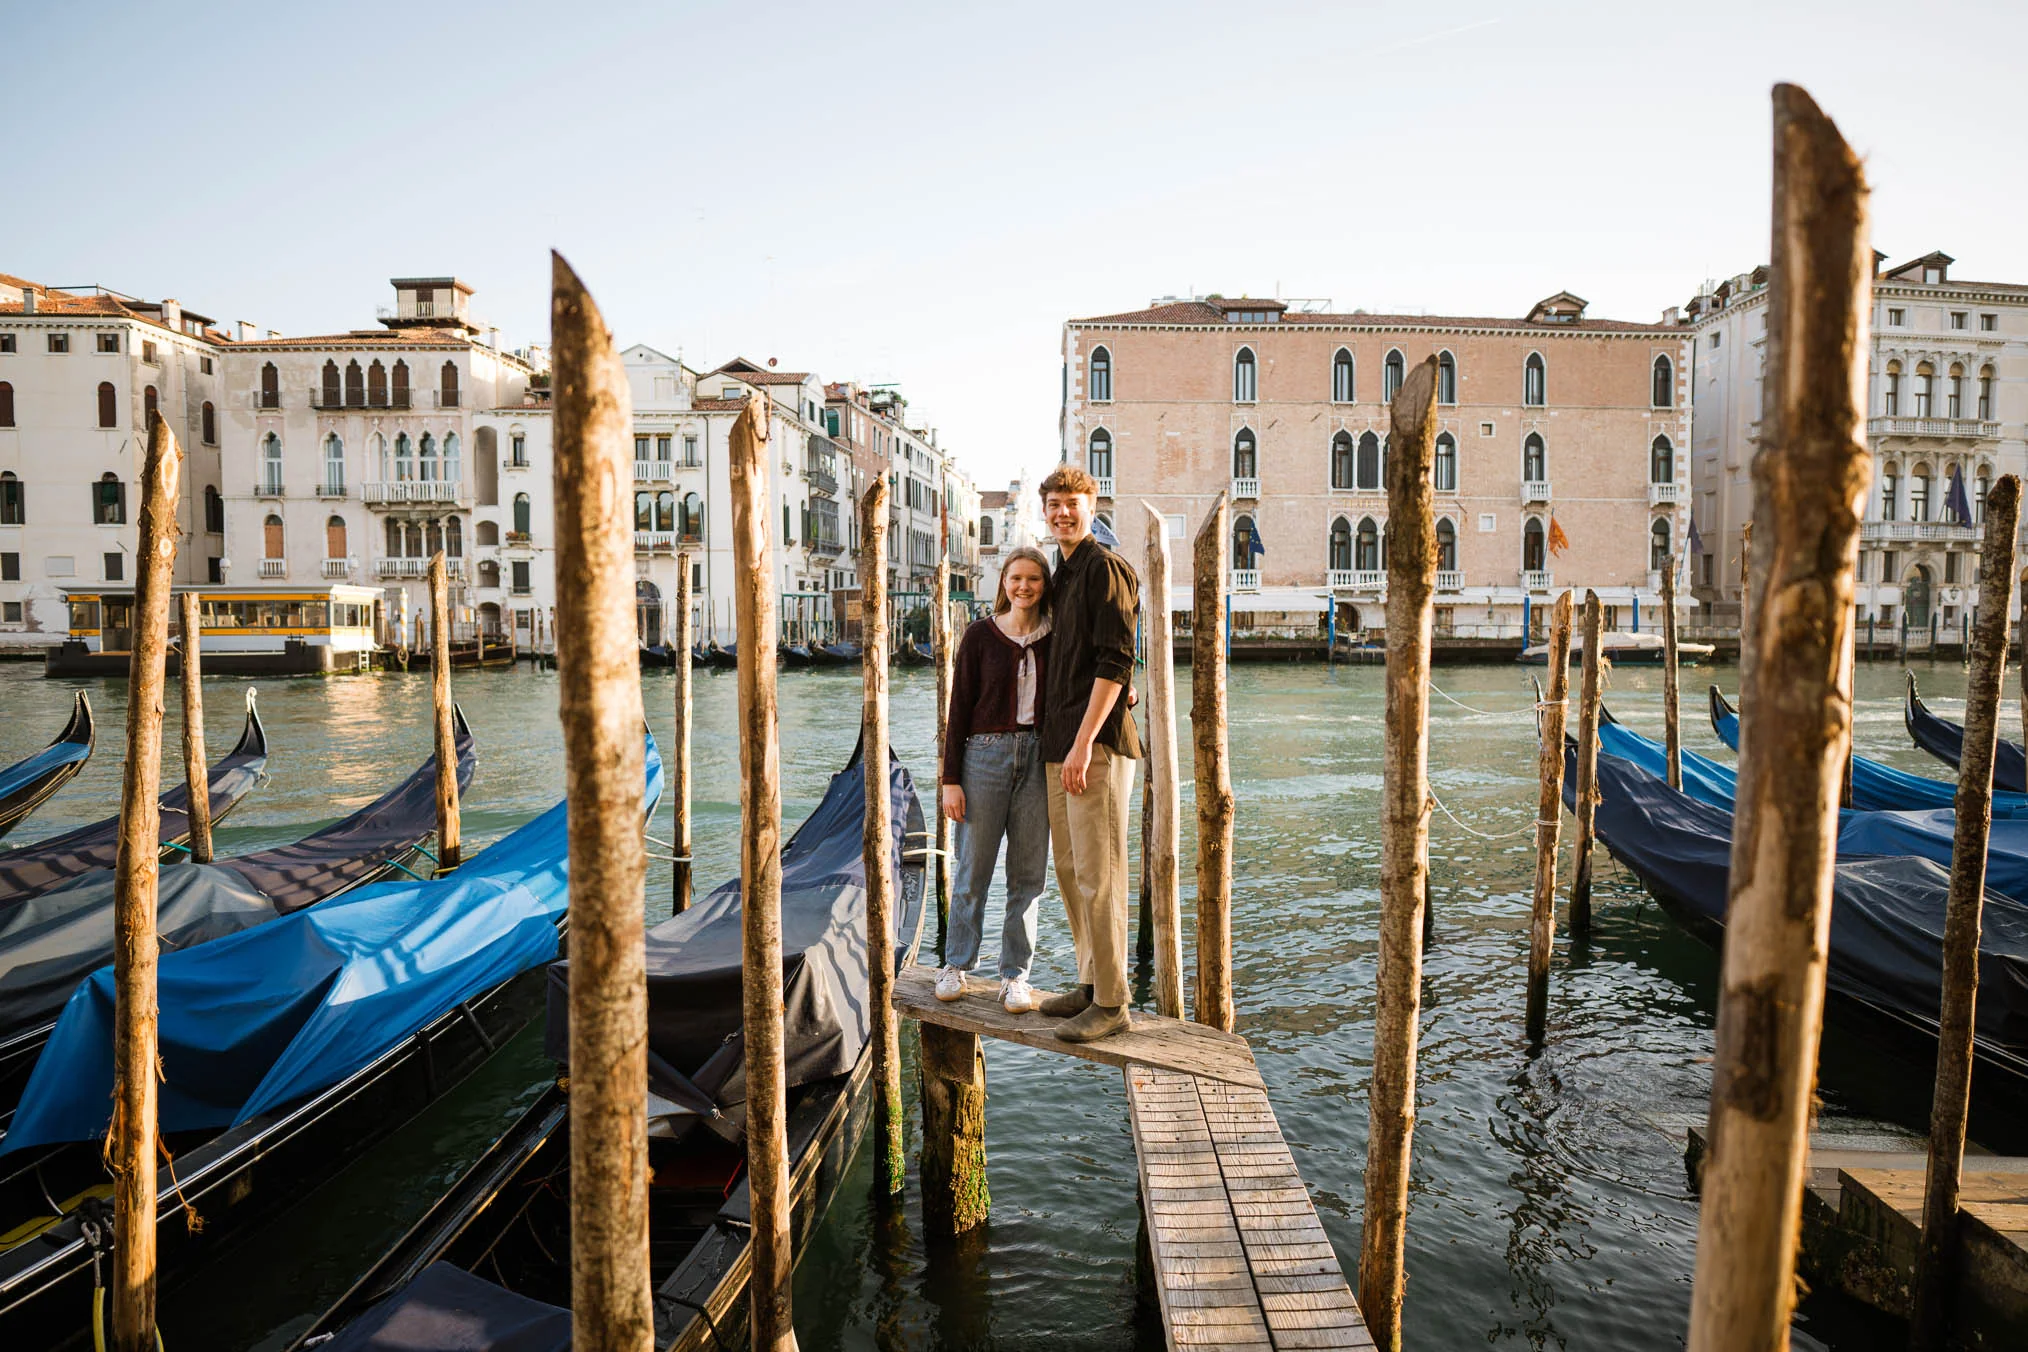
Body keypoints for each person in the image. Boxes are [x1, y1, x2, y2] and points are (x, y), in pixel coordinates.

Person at [1036, 466, 1142, 1042]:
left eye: (1072, 504)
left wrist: (1082, 744)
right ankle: (1089, 982)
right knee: (1071, 870)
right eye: (1054, 504)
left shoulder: (1106, 569)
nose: (1062, 513)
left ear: (1091, 505)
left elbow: (1116, 664)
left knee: (1101, 876)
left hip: (1092, 745)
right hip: (1061, 745)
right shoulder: (1063, 571)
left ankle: (1112, 1002)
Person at [935, 546, 1054, 1014]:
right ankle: (956, 965)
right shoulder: (980, 636)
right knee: (972, 870)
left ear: (1045, 586)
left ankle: (1014, 976)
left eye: (1034, 579)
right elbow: (958, 708)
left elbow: (1079, 685)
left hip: (1040, 757)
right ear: (1003, 582)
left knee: (1028, 875)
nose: (1024, 586)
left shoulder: (1055, 636)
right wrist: (950, 779)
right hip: (982, 759)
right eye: (1015, 578)